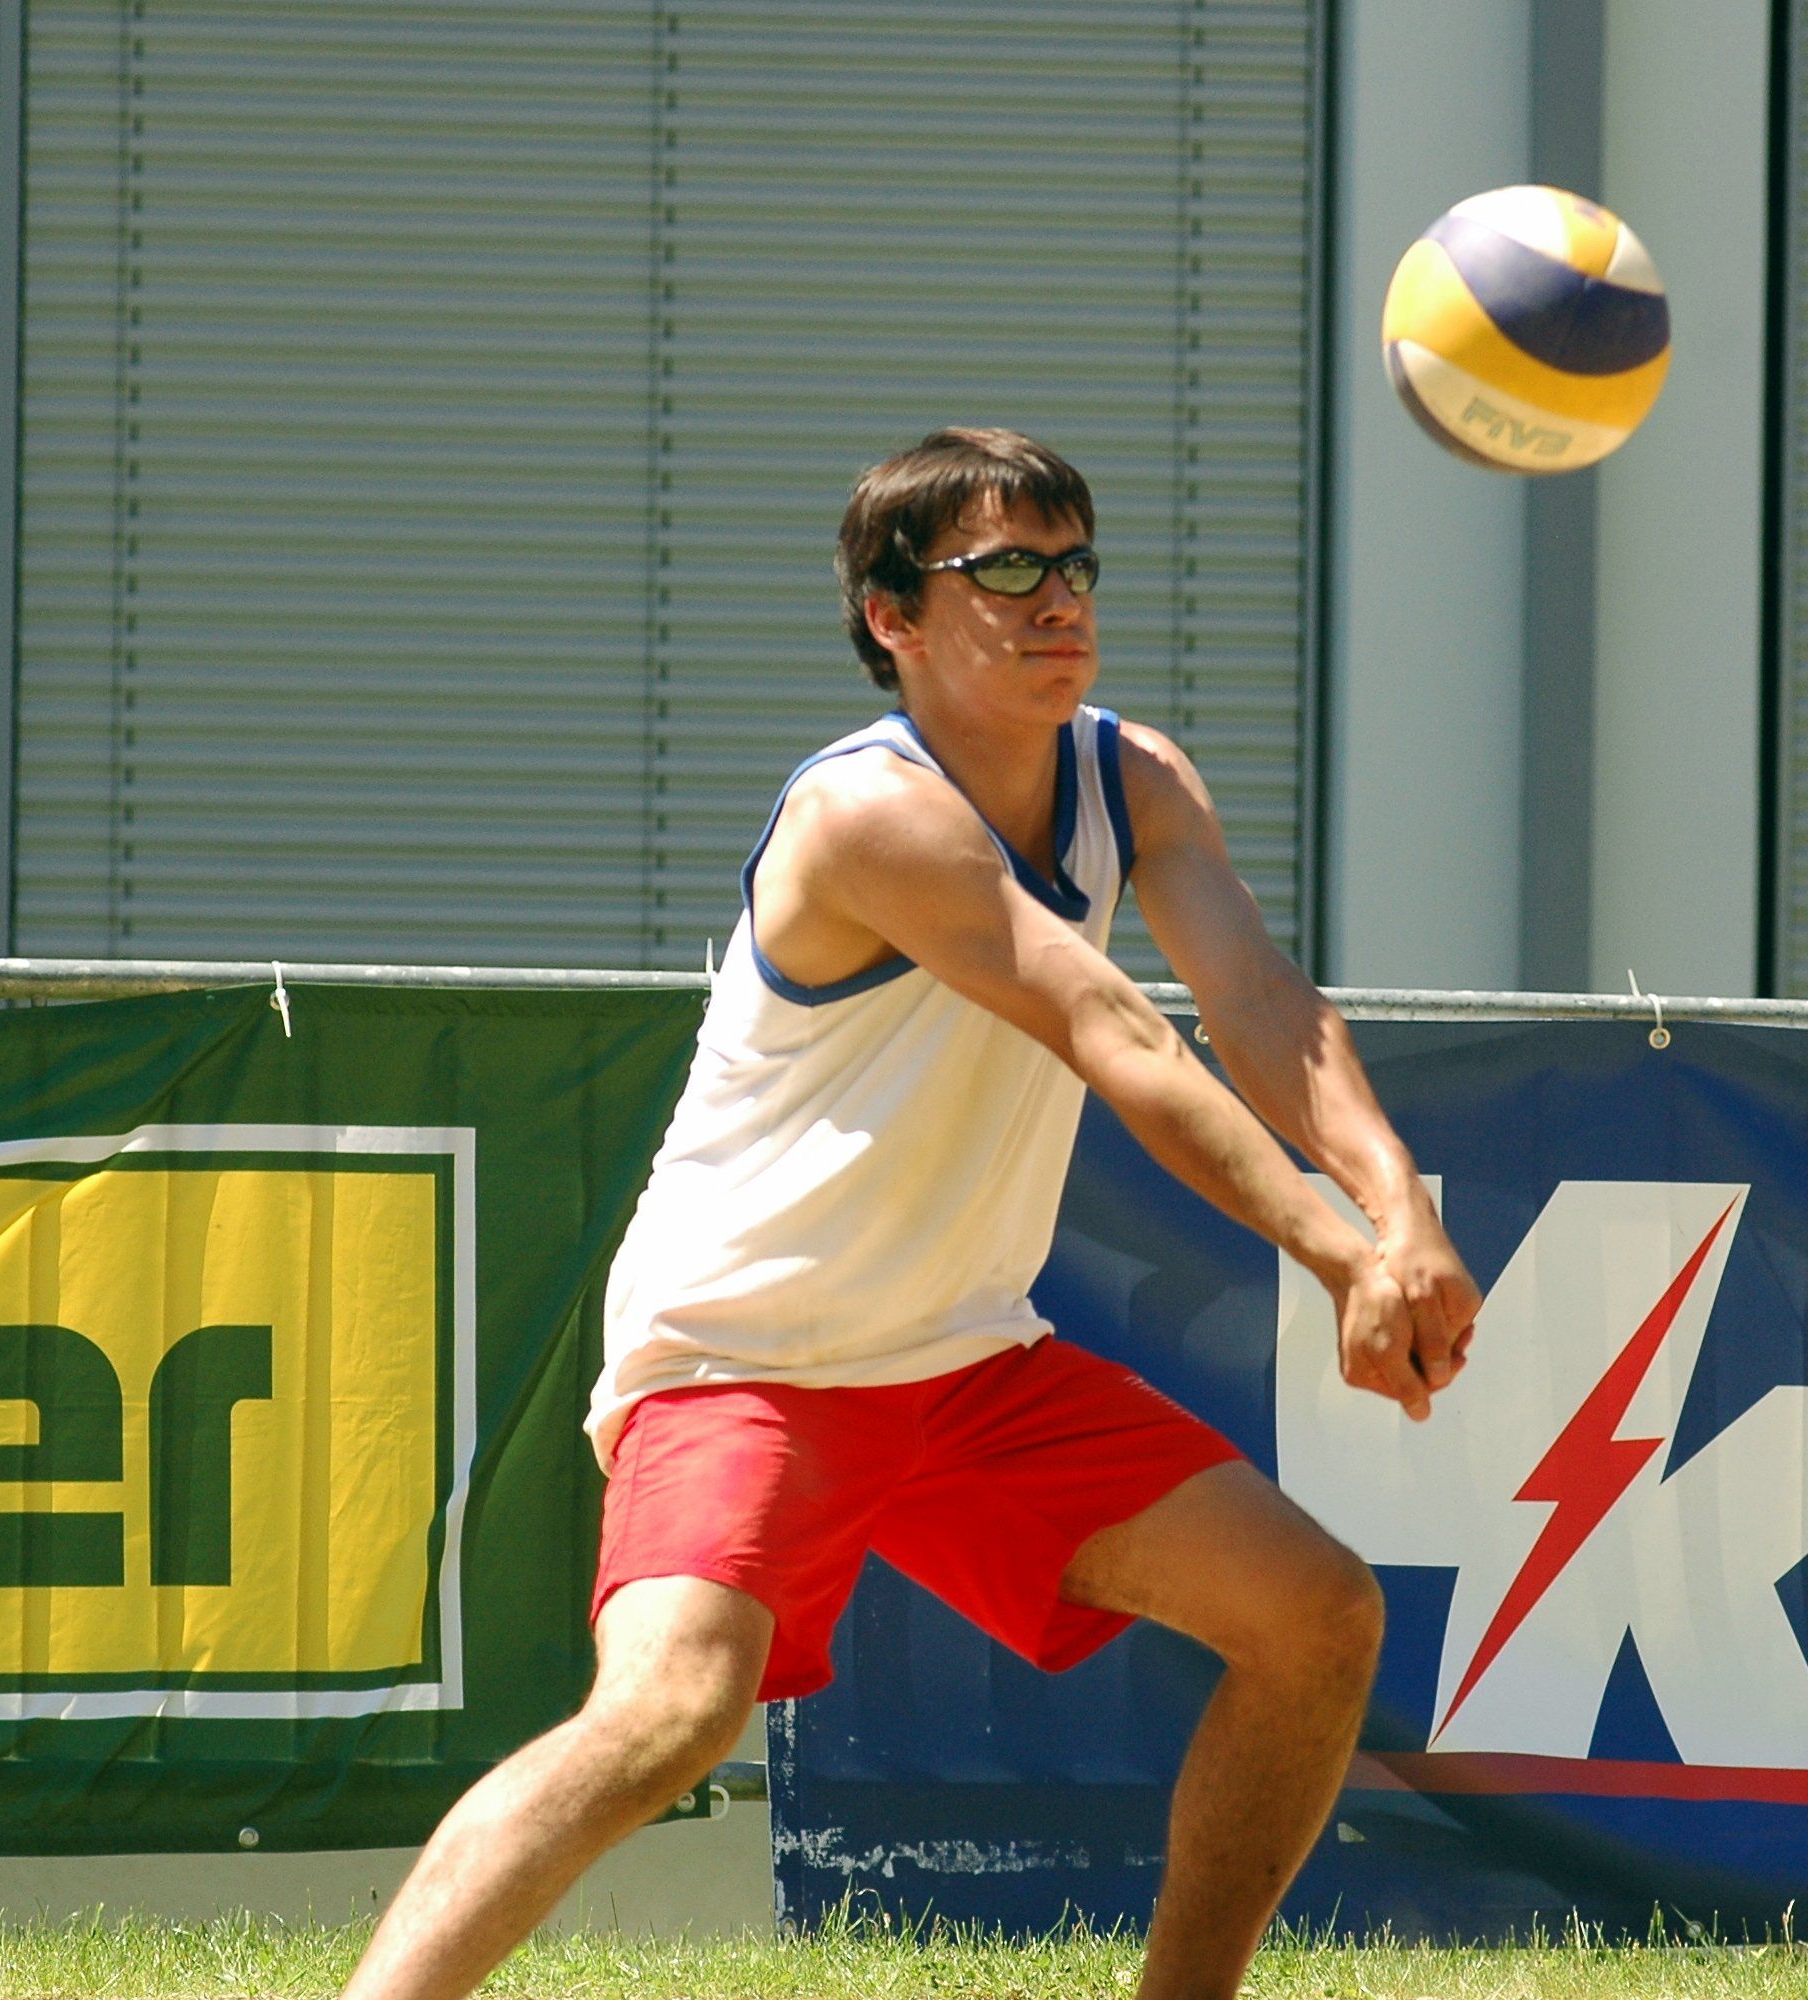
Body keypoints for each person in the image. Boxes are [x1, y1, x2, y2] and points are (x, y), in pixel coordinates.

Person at [339, 427, 1481, 2000]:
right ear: (894, 617)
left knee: (1317, 1615)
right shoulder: (868, 814)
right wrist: (1341, 1253)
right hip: (745, 1355)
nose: (1058, 599)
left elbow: (1259, 1001)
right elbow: (1119, 1033)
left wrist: (1399, 1204)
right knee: (670, 1714)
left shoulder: (1131, 778)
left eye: (1073, 563)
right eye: (1004, 569)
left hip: (961, 1362)